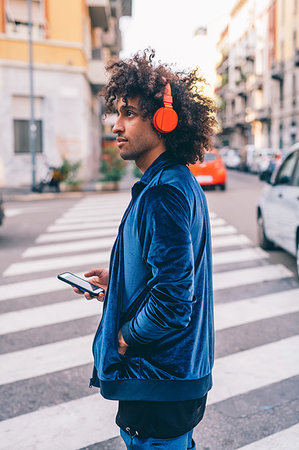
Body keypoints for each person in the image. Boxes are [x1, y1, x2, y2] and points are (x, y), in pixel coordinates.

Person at [74, 49, 217, 449]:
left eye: (129, 114)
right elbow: (168, 272)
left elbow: (173, 299)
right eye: (117, 113)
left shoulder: (164, 194)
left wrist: (124, 337)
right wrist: (118, 280)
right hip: (175, 377)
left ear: (164, 119)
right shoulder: (175, 181)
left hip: (159, 378)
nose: (116, 126)